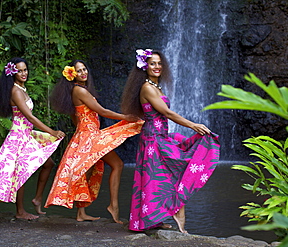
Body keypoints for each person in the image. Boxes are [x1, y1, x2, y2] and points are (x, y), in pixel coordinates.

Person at [121, 49, 220, 233]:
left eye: (159, 63)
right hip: (152, 139)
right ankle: (175, 212)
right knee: (159, 175)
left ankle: (156, 218)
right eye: (152, 63)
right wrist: (193, 125)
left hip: (161, 136)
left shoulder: (156, 86)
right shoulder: (147, 88)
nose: (157, 66)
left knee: (158, 176)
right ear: (145, 66)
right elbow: (166, 112)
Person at [44, 60, 144, 224]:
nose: (83, 72)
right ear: (72, 74)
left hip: (88, 135)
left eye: (85, 69)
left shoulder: (80, 90)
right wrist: (125, 117)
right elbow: (101, 111)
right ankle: (111, 207)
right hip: (89, 137)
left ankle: (84, 212)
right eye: (79, 70)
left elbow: (76, 117)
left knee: (87, 171)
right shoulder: (79, 90)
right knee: (112, 165)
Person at [0, 57, 65, 220]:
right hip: (18, 136)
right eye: (19, 71)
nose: (23, 73)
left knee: (49, 164)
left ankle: (37, 199)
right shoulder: (15, 91)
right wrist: (51, 131)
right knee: (20, 172)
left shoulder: (22, 88)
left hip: (26, 134)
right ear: (12, 73)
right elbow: (30, 117)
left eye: (25, 70)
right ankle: (20, 211)